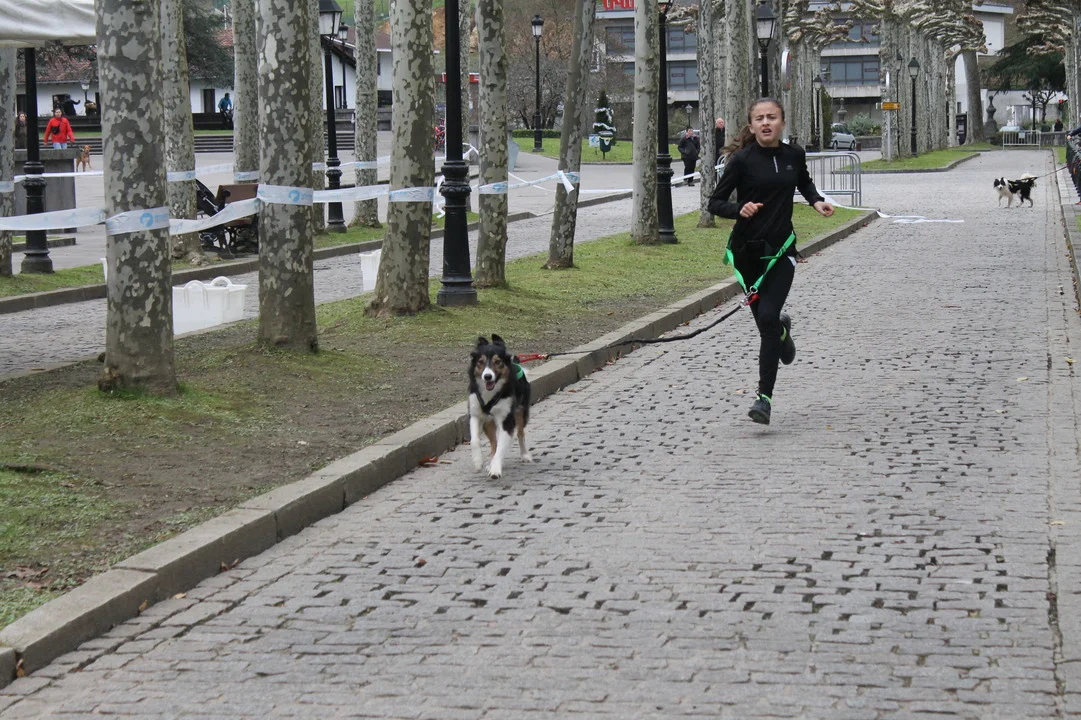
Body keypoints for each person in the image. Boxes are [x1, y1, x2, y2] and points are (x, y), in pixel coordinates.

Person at [708, 97, 834, 425]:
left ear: (782, 122)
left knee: (766, 317)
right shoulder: (741, 161)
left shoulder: (794, 155)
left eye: (772, 117)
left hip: (781, 251)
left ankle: (763, 399)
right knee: (767, 324)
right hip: (747, 256)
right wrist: (739, 209)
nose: (766, 123)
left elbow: (803, 181)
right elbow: (715, 202)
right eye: (760, 118)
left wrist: (816, 201)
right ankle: (781, 333)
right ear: (751, 126)